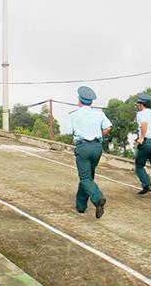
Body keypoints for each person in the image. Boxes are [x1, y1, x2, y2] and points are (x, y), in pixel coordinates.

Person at [63, 86, 112, 219]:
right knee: (88, 176)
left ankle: (98, 199)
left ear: (79, 100)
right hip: (97, 147)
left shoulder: (73, 115)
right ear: (91, 102)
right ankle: (81, 206)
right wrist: (98, 135)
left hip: (83, 147)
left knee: (85, 178)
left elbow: (67, 132)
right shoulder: (99, 114)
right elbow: (108, 128)